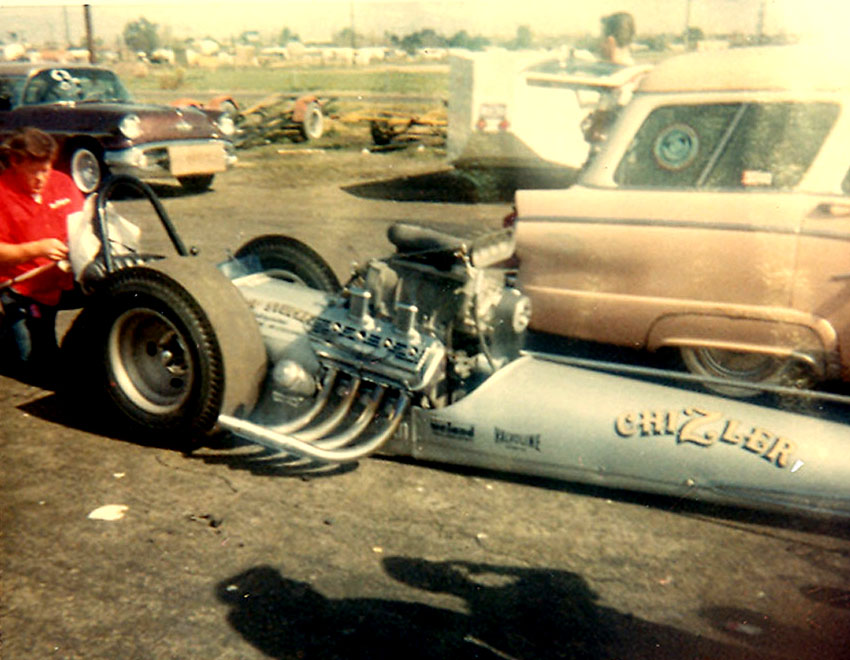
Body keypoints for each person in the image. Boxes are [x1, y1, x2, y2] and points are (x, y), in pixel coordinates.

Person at [0, 127, 84, 375]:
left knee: (113, 293)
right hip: (22, 288)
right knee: (30, 362)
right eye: (33, 172)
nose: (41, 179)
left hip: (63, 278)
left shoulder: (62, 183)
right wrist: (37, 248)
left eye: (45, 170)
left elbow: (82, 224)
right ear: (14, 162)